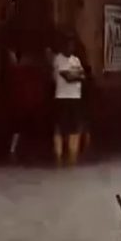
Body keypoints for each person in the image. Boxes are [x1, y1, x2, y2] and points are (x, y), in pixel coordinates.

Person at [51, 35, 86, 165]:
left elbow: (82, 76)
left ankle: (72, 157)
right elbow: (68, 77)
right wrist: (76, 75)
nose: (70, 48)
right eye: (68, 45)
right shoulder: (58, 59)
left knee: (75, 128)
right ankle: (59, 157)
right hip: (62, 97)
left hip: (75, 97)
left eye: (72, 46)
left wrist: (76, 75)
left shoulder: (76, 60)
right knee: (60, 128)